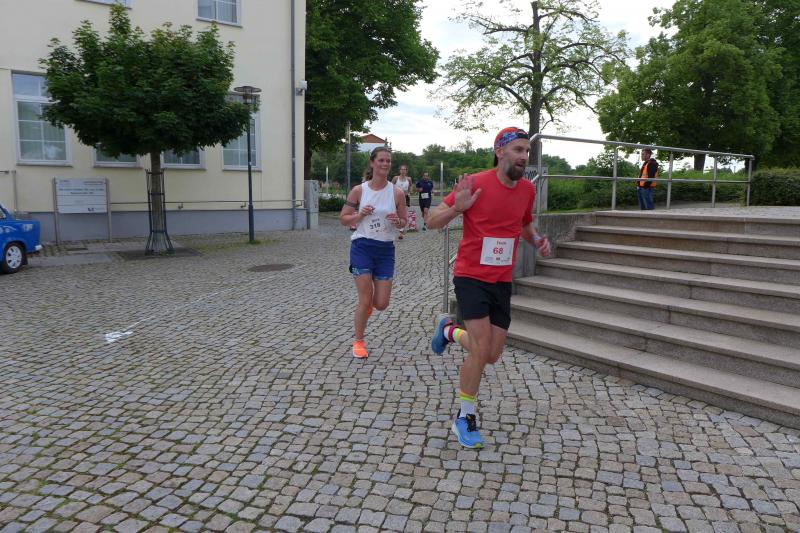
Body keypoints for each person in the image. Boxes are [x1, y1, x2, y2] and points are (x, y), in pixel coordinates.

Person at [425, 127, 551, 448]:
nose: (524, 156)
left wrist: (536, 239)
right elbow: (431, 221)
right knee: (481, 350)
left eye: (527, 151)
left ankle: (449, 331)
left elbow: (524, 224)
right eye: (518, 150)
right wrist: (458, 207)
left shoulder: (526, 189)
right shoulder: (476, 183)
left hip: (501, 281)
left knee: (492, 355)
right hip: (470, 276)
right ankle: (465, 418)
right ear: (499, 152)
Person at [340, 147, 407, 359]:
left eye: (388, 161)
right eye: (381, 160)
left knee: (381, 303)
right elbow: (344, 219)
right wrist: (359, 215)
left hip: (385, 249)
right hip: (362, 246)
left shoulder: (397, 193)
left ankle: (369, 307)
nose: (385, 164)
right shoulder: (358, 191)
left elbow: (404, 222)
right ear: (372, 162)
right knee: (365, 298)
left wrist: (397, 221)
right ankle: (359, 342)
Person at [392, 164, 413, 239]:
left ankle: (401, 231)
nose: (403, 171)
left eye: (404, 169)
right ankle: (393, 227)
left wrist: (409, 192)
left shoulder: (409, 179)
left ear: (406, 171)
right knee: (394, 213)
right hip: (395, 197)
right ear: (399, 170)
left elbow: (411, 186)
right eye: (402, 169)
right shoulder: (395, 178)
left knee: (403, 214)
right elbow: (390, 186)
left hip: (405, 198)